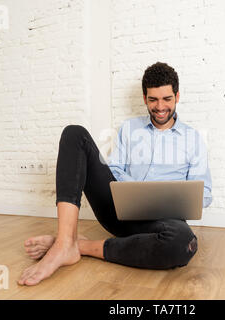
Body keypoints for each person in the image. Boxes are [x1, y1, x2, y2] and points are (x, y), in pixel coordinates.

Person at [18, 62, 212, 286]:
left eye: (167, 99)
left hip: (163, 222)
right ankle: (64, 242)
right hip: (119, 212)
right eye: (153, 99)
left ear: (177, 96)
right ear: (144, 98)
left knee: (183, 243)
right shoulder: (130, 128)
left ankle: (76, 246)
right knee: (74, 134)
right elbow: (116, 169)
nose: (160, 106)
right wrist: (137, 190)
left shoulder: (193, 139)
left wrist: (170, 196)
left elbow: (204, 194)